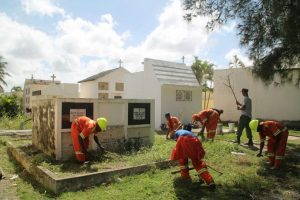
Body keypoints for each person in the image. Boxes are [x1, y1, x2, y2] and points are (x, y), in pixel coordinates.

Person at [170, 124, 216, 189]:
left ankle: (185, 178)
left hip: (184, 140)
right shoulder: (187, 132)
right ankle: (209, 181)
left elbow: (176, 140)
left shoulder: (176, 133)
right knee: (198, 163)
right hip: (195, 141)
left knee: (183, 160)